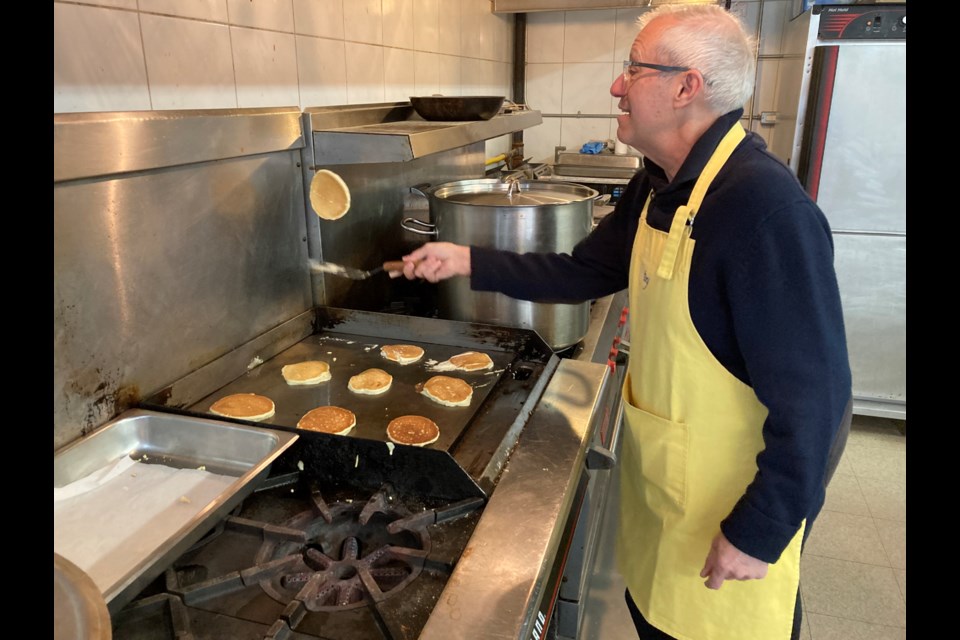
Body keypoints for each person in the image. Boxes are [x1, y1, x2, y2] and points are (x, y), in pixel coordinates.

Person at [398, 5, 852, 640]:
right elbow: (580, 273)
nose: (616, 86)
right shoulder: (661, 182)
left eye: (633, 69)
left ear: (685, 87)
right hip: (666, 506)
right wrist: (465, 258)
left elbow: (822, 401)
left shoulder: (761, 210)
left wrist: (761, 530)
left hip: (729, 532)